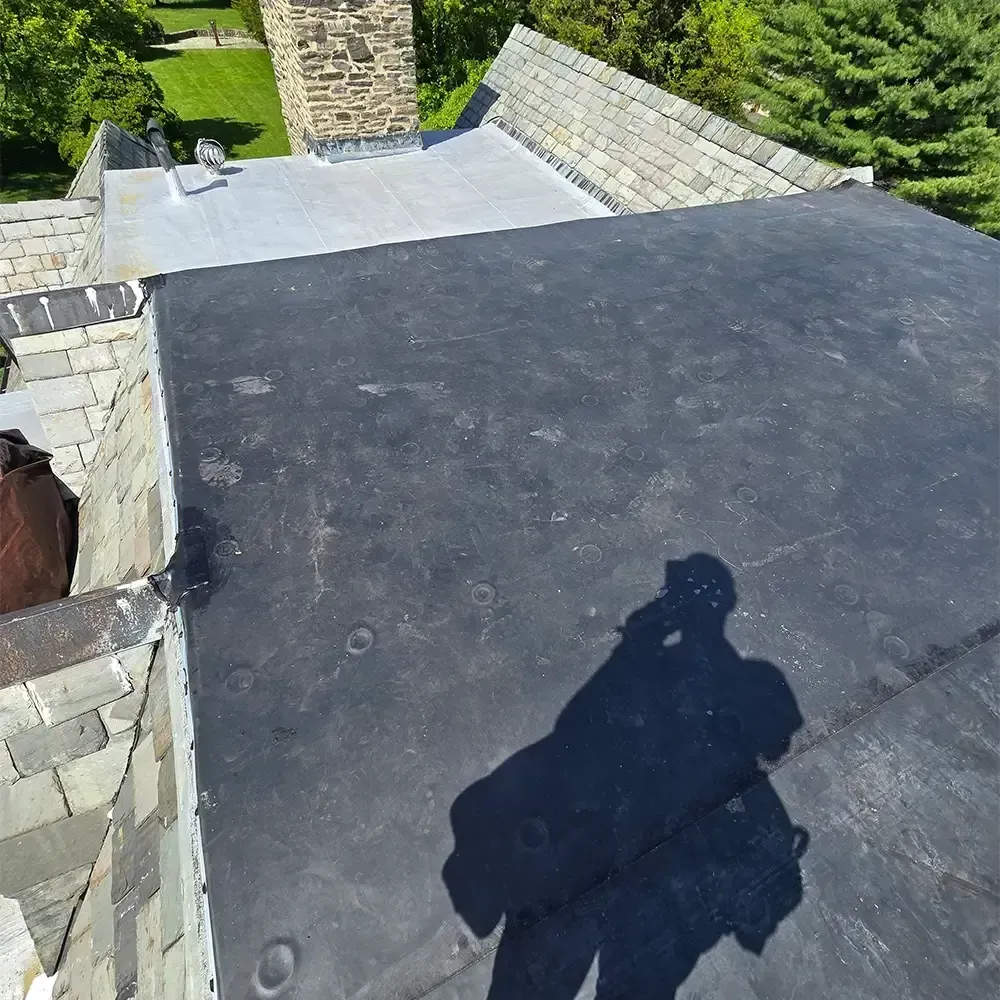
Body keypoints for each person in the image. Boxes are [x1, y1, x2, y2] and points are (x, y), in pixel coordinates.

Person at [443, 553, 808, 998]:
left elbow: (578, 721)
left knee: (557, 968)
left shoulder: (687, 666)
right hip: (625, 854)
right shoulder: (705, 672)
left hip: (617, 854)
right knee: (577, 967)